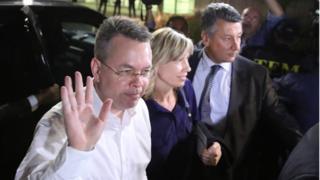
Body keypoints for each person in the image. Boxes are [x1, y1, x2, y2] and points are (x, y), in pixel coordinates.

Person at [15, 16, 153, 180]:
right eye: (126, 71)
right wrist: (76, 151)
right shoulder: (58, 122)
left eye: (145, 72)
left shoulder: (140, 109)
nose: (138, 83)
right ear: (97, 69)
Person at [188, 3, 302, 180]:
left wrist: (310, 149)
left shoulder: (255, 75)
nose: (236, 46)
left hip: (234, 171)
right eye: (227, 38)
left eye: (239, 36)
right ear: (205, 37)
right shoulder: (183, 65)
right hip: (185, 167)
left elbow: (281, 120)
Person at [144, 27, 222, 180]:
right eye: (180, 60)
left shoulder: (186, 88)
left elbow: (197, 127)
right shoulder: (138, 105)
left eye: (187, 59)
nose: (188, 67)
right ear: (157, 61)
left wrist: (212, 144)